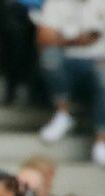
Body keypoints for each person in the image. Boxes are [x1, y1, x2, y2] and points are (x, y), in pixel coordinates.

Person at [35, 0, 105, 166]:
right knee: (49, 58)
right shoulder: (56, 2)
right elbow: (44, 36)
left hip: (99, 61)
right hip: (66, 58)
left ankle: (101, 140)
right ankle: (63, 115)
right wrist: (77, 41)